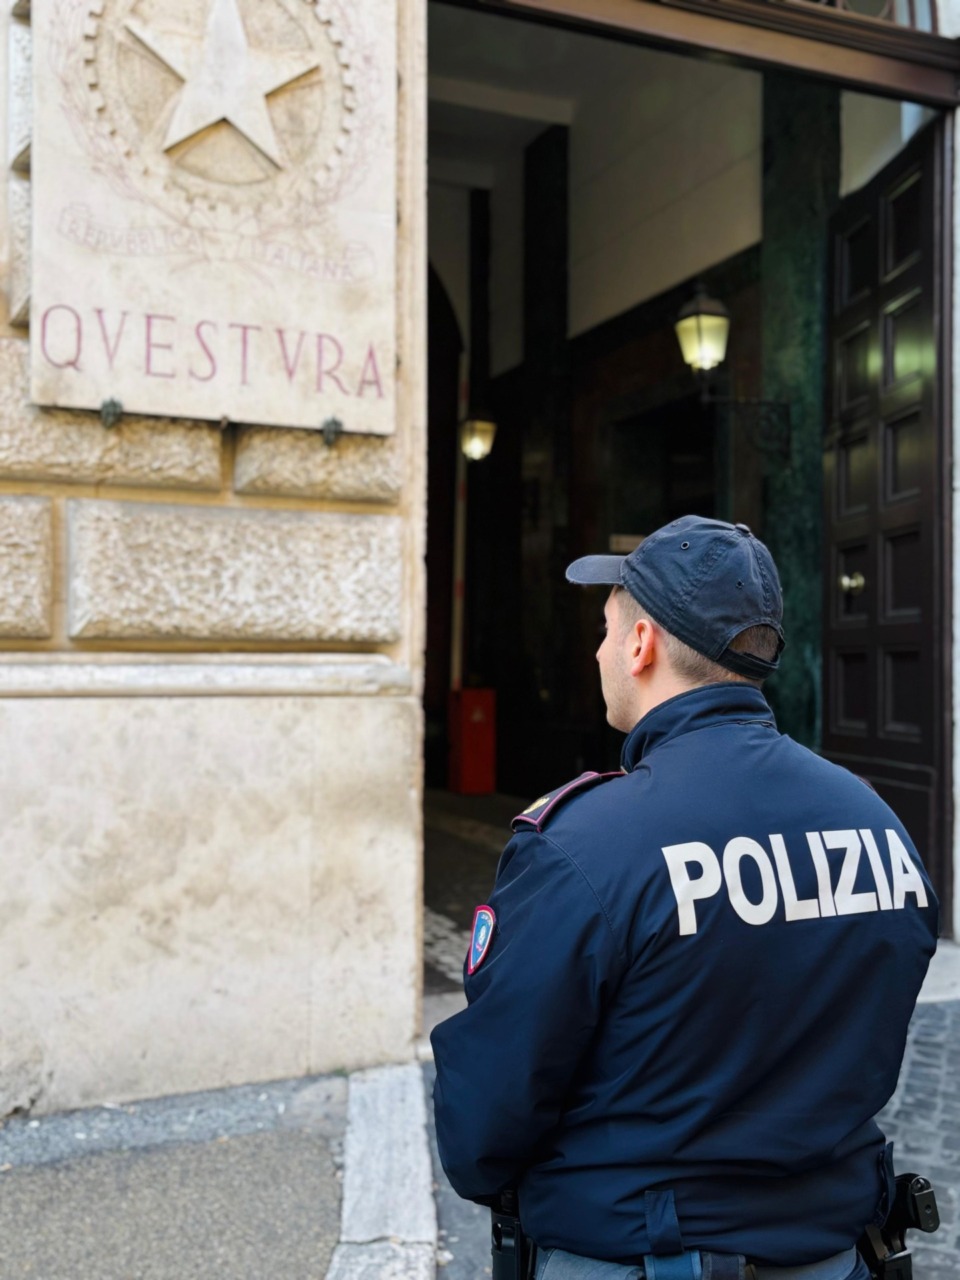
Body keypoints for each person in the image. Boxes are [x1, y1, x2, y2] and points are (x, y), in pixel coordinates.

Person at [431, 515, 939, 1280]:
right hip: (837, 1253)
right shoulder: (874, 822)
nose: (599, 651)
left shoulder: (583, 844)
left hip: (639, 1254)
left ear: (640, 647)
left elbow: (489, 1114)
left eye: (607, 630)